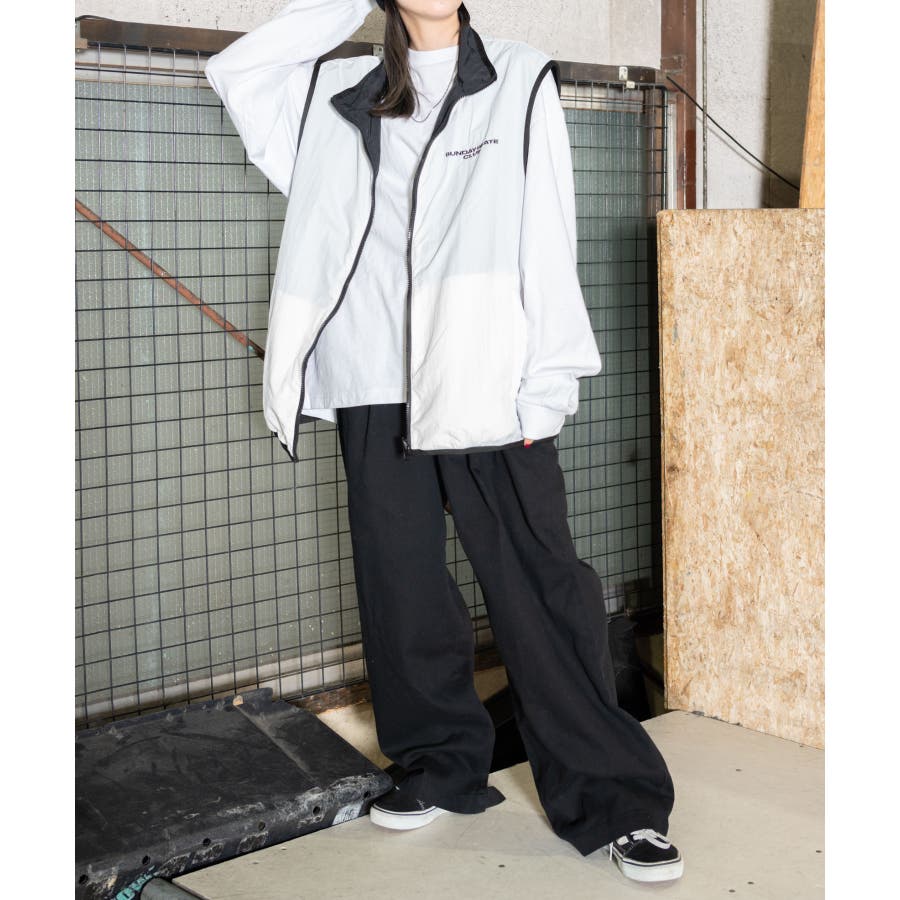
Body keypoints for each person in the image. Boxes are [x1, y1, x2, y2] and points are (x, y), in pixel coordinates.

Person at [205, 0, 683, 884]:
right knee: (401, 586)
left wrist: (547, 381)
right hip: (372, 376)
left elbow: (548, 227)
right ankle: (437, 766)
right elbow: (236, 72)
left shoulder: (516, 76)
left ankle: (616, 798)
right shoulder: (337, 89)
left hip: (482, 376)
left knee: (541, 588)